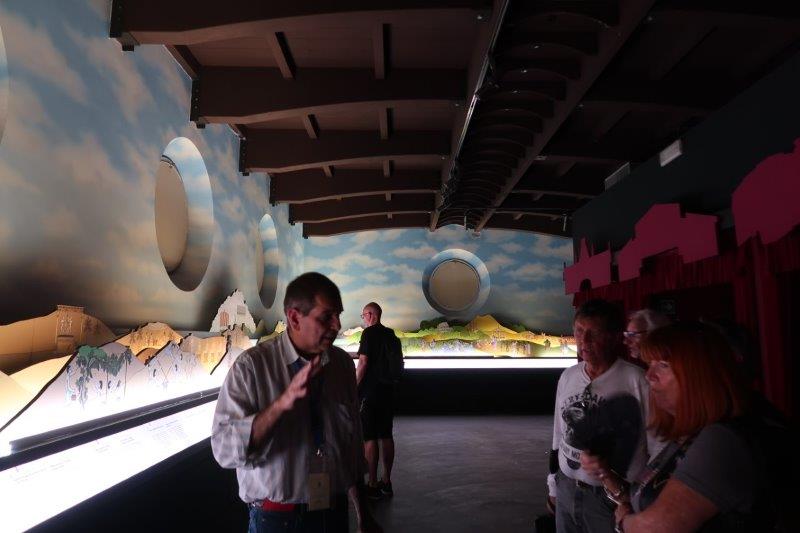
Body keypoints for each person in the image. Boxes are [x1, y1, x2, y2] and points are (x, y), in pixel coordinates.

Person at [211, 273, 382, 533]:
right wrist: (282, 404)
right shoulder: (251, 368)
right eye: (326, 316)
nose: (337, 325)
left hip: (333, 514)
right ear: (294, 318)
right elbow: (224, 450)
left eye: (338, 314)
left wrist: (363, 514)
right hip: (277, 520)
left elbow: (351, 445)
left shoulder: (342, 365)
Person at [580, 322, 779, 532]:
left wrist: (624, 523)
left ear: (700, 374)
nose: (649, 375)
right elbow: (651, 497)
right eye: (650, 364)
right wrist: (605, 474)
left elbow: (657, 527)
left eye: (663, 365)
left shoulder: (722, 439)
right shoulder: (690, 433)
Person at [547, 299, 658, 533]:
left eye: (594, 333)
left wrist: (637, 498)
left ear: (614, 337)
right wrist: (553, 486)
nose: (584, 340)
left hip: (613, 500)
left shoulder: (638, 381)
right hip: (567, 487)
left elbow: (657, 450)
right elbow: (558, 435)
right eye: (579, 331)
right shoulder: (568, 376)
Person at [355, 302, 401, 498]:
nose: (363, 319)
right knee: (386, 435)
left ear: (371, 315)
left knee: (370, 437)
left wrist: (353, 387)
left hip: (370, 392)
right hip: (388, 391)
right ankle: (387, 481)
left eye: (363, 315)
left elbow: (363, 363)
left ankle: (372, 484)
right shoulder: (391, 335)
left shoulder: (368, 334)